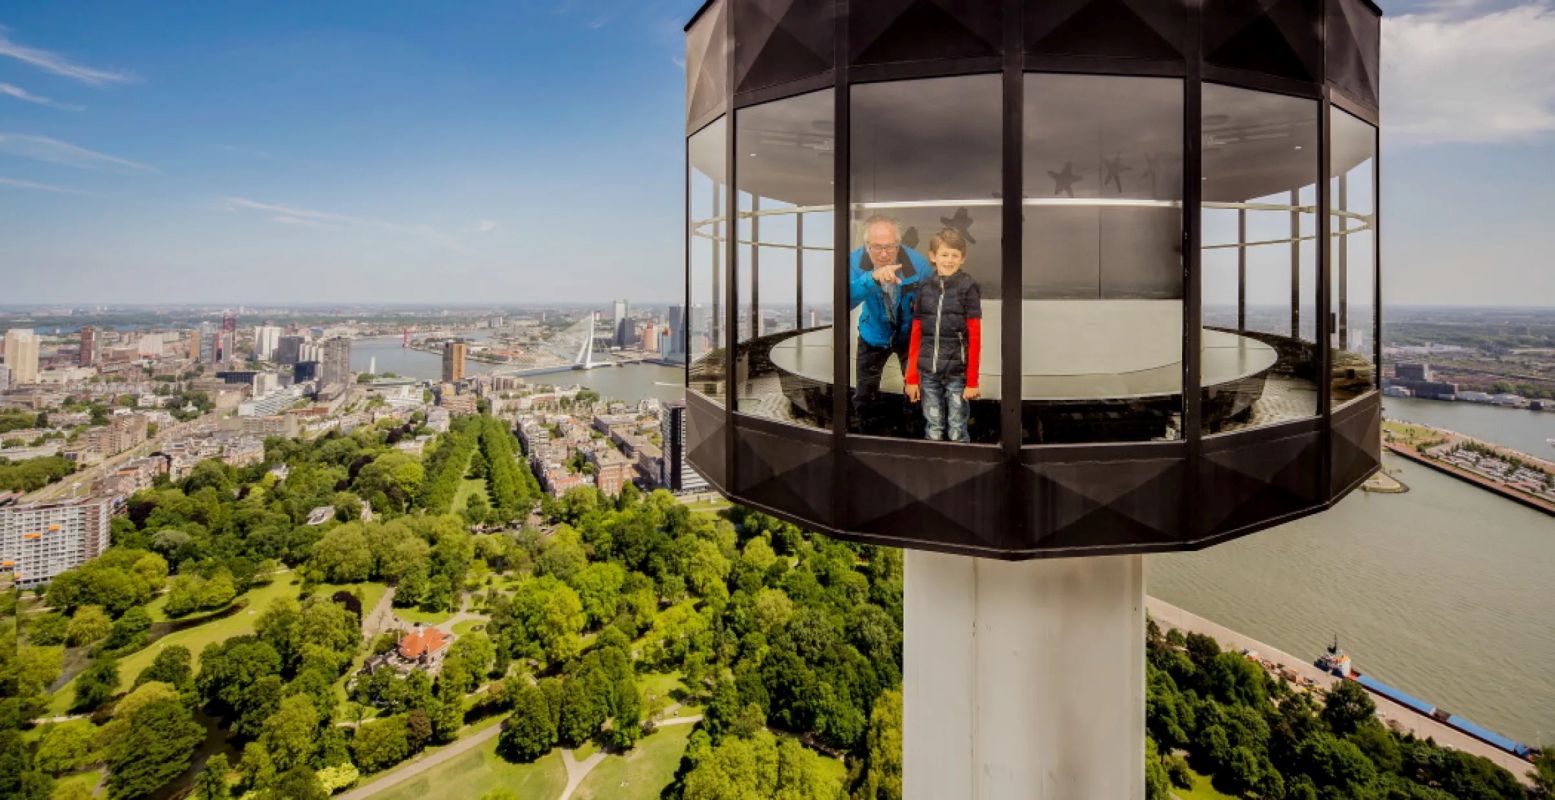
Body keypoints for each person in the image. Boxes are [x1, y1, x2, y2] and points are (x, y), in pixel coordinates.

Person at [849, 215, 931, 435]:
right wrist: (872, 279)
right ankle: (867, 437)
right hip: (872, 334)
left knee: (917, 392)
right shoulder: (853, 262)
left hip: (909, 336)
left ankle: (913, 439)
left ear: (899, 243)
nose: (884, 254)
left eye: (890, 247)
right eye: (876, 248)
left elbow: (932, 305)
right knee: (865, 393)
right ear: (866, 246)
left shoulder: (919, 264)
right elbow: (844, 301)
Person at [904, 227, 982, 442]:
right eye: (944, 254)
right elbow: (916, 335)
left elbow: (975, 338)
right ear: (932, 256)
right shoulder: (924, 288)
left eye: (954, 255)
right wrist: (911, 378)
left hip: (957, 373)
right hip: (928, 373)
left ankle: (961, 466)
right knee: (933, 428)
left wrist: (972, 382)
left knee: (957, 428)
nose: (949, 260)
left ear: (962, 259)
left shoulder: (969, 288)